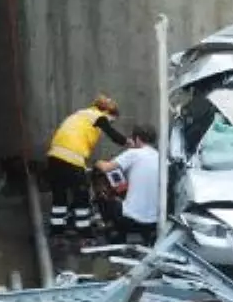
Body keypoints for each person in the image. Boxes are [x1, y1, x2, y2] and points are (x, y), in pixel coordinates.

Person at [47, 95, 127, 240]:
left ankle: (56, 230)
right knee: (81, 195)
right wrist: (129, 142)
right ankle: (84, 231)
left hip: (54, 157)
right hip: (71, 159)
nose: (110, 122)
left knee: (60, 196)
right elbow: (113, 135)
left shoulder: (81, 114)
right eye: (112, 120)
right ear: (109, 113)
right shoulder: (99, 117)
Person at [94, 124, 160, 245]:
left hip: (130, 221)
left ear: (138, 139)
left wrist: (97, 162)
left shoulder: (133, 154)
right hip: (154, 222)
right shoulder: (161, 157)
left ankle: (114, 231)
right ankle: (146, 236)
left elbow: (106, 167)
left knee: (103, 195)